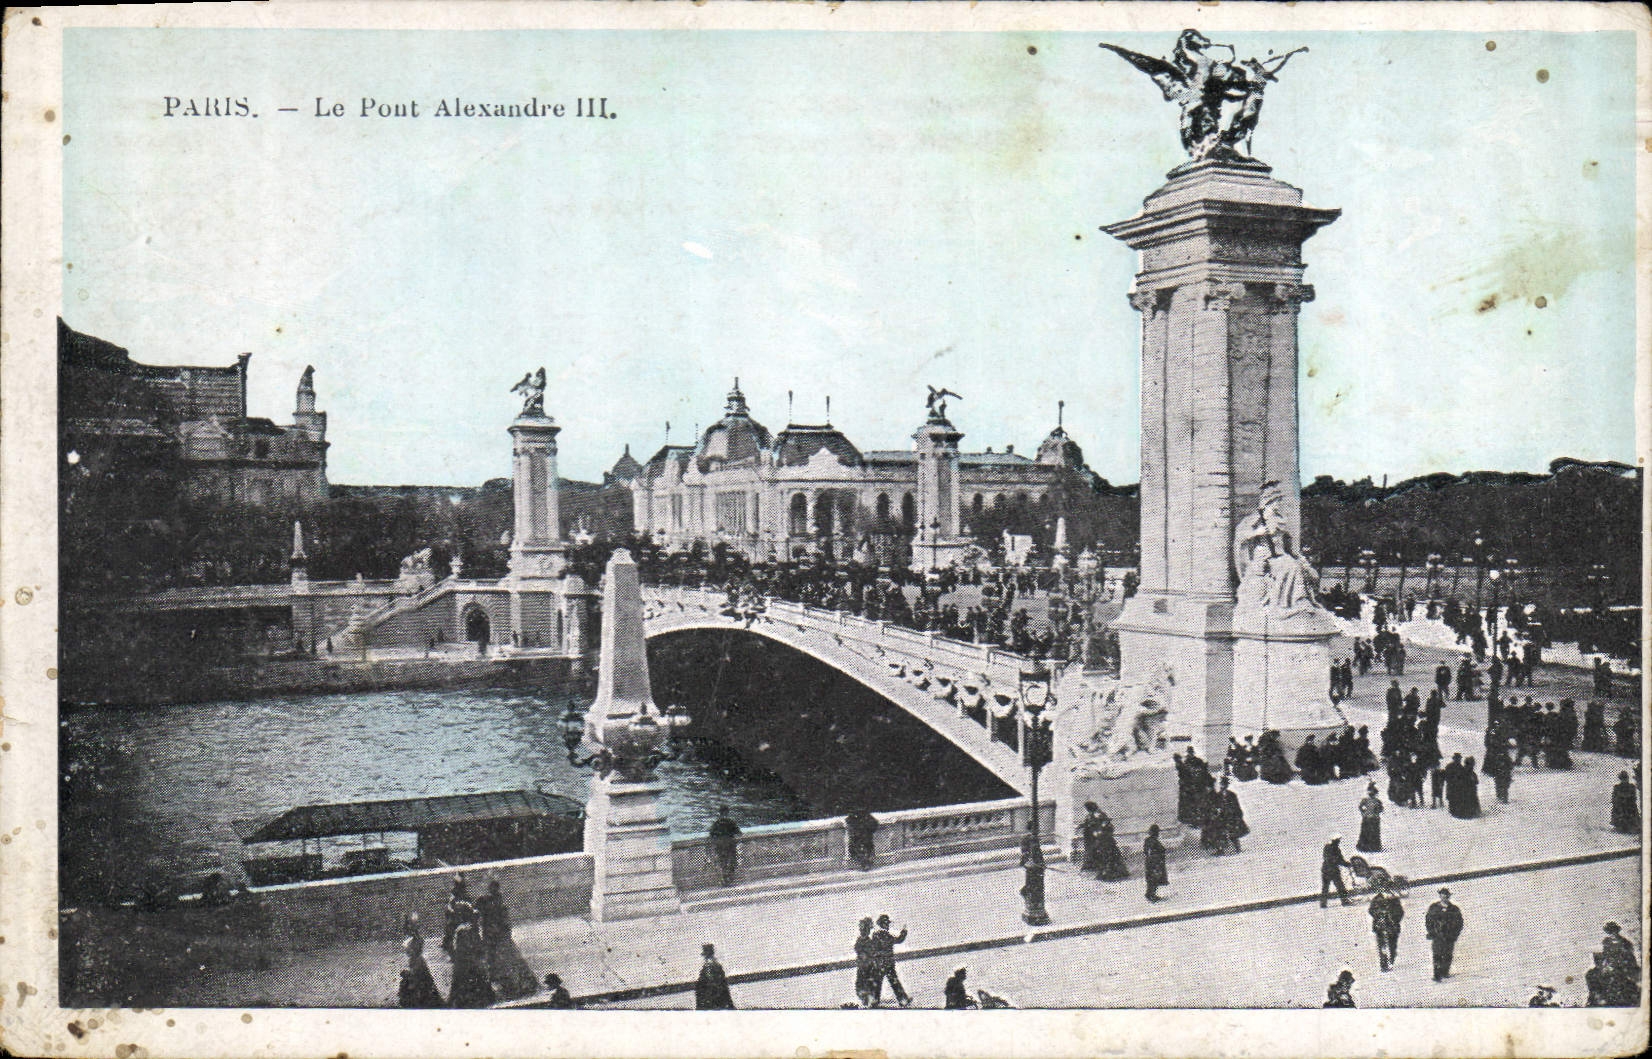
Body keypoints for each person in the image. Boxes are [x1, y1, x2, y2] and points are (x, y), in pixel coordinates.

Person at [476, 878, 539, 1000]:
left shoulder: (491, 903)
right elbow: (503, 922)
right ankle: (510, 984)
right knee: (503, 960)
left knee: (502, 960)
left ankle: (510, 985)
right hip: (496, 936)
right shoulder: (493, 903)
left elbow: (501, 922)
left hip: (496, 936)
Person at [447, 907, 497, 1008]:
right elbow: (469, 946)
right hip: (467, 959)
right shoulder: (465, 930)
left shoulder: (465, 929)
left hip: (466, 959)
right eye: (474, 918)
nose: (477, 921)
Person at [398, 920, 446, 1008]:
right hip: (417, 961)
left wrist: (409, 950)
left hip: (418, 962)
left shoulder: (416, 941)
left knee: (420, 981)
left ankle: (420, 999)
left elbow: (414, 952)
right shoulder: (414, 940)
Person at [869, 915, 912, 1007]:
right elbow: (899, 940)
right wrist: (904, 931)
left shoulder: (875, 935)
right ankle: (903, 1000)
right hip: (888, 964)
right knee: (894, 982)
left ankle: (874, 1002)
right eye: (887, 923)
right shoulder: (886, 935)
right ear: (883, 924)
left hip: (879, 964)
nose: (888, 925)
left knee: (878, 983)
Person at [1425, 887, 1464, 982]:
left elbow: (1459, 922)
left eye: (1446, 896)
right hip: (1437, 935)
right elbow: (1428, 921)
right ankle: (1437, 975)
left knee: (1448, 954)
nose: (1444, 898)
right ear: (1440, 896)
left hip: (1449, 936)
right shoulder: (1434, 908)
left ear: (1449, 897)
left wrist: (1455, 934)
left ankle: (1445, 972)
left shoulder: (1454, 909)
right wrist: (1431, 931)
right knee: (1437, 954)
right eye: (1442, 896)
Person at [1368, 887, 1404, 972]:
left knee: (1392, 946)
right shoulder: (1377, 899)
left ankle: (1391, 960)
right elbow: (1371, 910)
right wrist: (1379, 916)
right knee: (1382, 946)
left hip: (1392, 927)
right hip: (1380, 927)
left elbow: (1400, 912)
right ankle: (1384, 964)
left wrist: (1394, 919)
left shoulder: (1395, 900)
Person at [1091, 808, 1131, 881]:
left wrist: (1101, 832)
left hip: (1108, 843)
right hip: (1102, 843)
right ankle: (1105, 872)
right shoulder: (1098, 825)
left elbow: (1110, 832)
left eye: (1100, 817)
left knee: (1110, 857)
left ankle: (1111, 873)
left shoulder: (1107, 825)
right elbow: (1096, 833)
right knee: (1103, 857)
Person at [695, 943, 736, 1009]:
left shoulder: (708, 966)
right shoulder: (716, 964)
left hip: (713, 997)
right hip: (720, 995)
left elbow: (710, 981)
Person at [708, 807, 742, 886]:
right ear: (727, 813)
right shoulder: (731, 822)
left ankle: (724, 880)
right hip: (730, 844)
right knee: (731, 862)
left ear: (719, 813)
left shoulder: (716, 823)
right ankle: (729, 879)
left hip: (720, 845)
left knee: (722, 862)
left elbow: (711, 835)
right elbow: (739, 833)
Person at [1214, 777, 1247, 854]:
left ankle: (1237, 848)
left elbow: (1236, 805)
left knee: (1233, 832)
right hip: (1221, 816)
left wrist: (1238, 814)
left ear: (1227, 785)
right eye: (1222, 784)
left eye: (1224, 785)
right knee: (1220, 833)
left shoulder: (1232, 795)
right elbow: (1215, 805)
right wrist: (1217, 812)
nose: (1223, 786)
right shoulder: (1218, 795)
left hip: (1231, 816)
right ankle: (1220, 849)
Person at [1320, 834, 1353, 908]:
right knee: (1340, 886)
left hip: (1326, 870)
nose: (1339, 842)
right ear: (1335, 841)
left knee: (1326, 888)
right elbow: (1335, 859)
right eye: (1338, 840)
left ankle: (1323, 903)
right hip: (1332, 871)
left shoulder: (1330, 848)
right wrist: (1345, 863)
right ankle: (1344, 901)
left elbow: (1340, 860)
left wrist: (1347, 864)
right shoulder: (1331, 848)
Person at [853, 917, 879, 1007]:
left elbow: (859, 949)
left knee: (865, 982)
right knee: (866, 981)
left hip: (866, 965)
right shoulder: (865, 941)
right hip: (865, 965)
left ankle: (867, 998)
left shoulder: (864, 941)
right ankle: (867, 998)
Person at [442, 875, 470, 955]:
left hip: (461, 919)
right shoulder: (455, 896)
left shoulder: (463, 897)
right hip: (457, 919)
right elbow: (449, 909)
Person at [1143, 823, 1169, 902]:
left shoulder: (1149, 840)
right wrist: (1156, 860)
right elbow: (1151, 851)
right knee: (1154, 878)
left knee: (1152, 878)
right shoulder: (1153, 841)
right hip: (1155, 863)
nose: (1158, 834)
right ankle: (1151, 895)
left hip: (1152, 862)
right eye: (1157, 832)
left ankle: (1150, 894)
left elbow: (1146, 852)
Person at [1356, 784, 1384, 853]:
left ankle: (1373, 847)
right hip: (1368, 819)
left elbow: (1381, 808)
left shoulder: (1377, 801)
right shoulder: (1366, 800)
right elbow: (1360, 807)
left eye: (1373, 793)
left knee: (1373, 833)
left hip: (1373, 819)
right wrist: (1363, 813)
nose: (1371, 794)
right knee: (1366, 832)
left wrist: (1376, 811)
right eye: (1370, 792)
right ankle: (1366, 847)